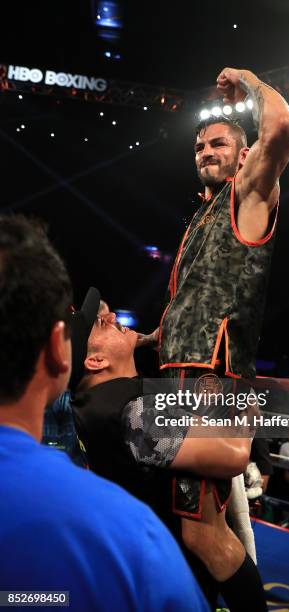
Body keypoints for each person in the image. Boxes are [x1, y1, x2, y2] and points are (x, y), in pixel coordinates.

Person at [139, 66, 289, 611]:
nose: (206, 150)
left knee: (202, 534)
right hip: (182, 377)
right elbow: (184, 314)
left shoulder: (248, 194)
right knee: (214, 526)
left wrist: (251, 81)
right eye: (201, 145)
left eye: (219, 143)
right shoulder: (199, 221)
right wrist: (136, 341)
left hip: (213, 381)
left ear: (245, 152)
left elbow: (283, 129)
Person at [0, 214, 208, 612]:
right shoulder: (128, 534)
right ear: (61, 354)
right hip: (153, 552)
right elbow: (229, 452)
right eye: (99, 323)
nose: (113, 319)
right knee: (220, 548)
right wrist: (240, 386)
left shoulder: (119, 396)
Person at [72, 309, 258, 607]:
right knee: (214, 538)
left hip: (132, 561)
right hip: (173, 579)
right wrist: (247, 404)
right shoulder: (137, 416)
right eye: (99, 324)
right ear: (96, 361)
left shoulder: (89, 399)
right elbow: (235, 455)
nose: (109, 316)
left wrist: (146, 339)